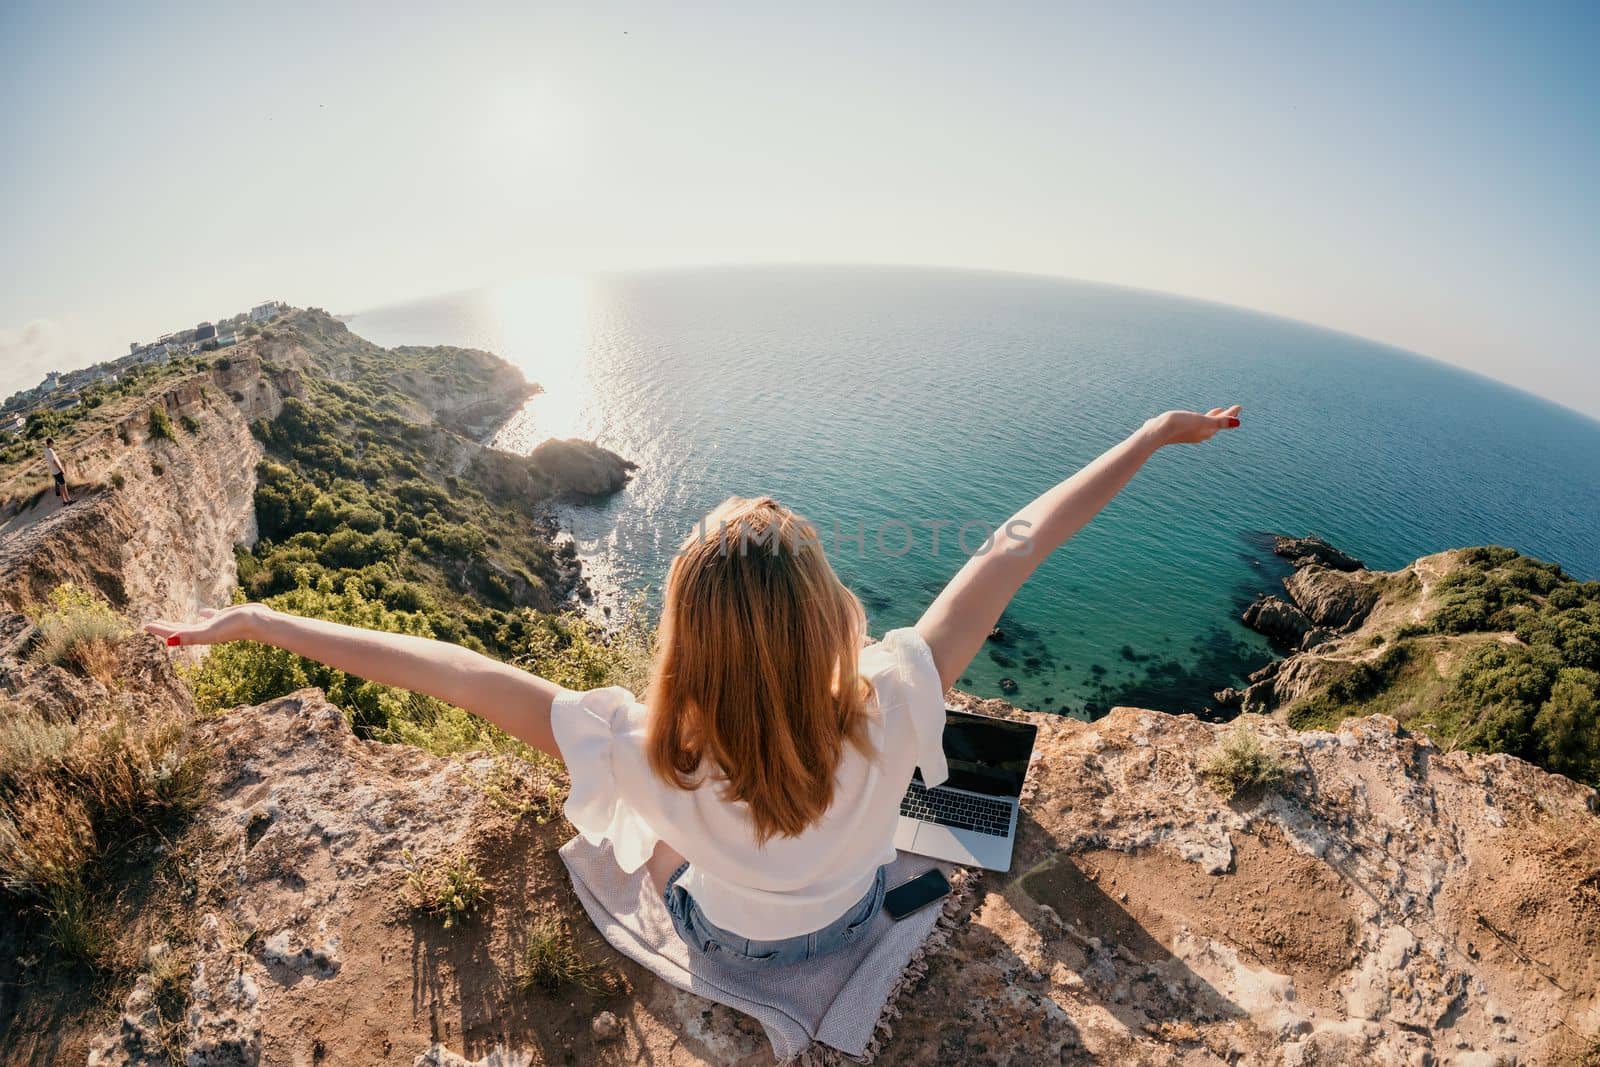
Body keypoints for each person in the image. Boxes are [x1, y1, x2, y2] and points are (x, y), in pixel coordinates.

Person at [145, 405, 1241, 965]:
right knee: (933, 807)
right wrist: (1151, 434)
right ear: (825, 613)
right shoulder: (897, 691)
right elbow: (1011, 547)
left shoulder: (636, 743)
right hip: (848, 916)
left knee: (648, 846)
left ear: (685, 631)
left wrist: (259, 619)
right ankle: (885, 885)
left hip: (723, 938)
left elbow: (459, 674)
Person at [43, 438, 72, 505]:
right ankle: (69, 500)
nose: (53, 444)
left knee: (60, 486)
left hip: (54, 471)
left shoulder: (46, 450)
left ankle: (64, 501)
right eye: (52, 443)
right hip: (57, 471)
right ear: (50, 443)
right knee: (63, 485)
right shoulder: (50, 451)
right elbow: (54, 461)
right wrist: (61, 469)